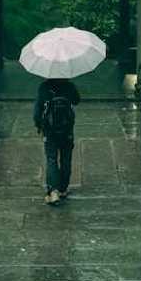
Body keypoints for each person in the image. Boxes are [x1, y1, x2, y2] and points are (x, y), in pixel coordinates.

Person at [33, 77, 81, 205]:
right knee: (66, 159)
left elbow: (37, 110)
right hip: (67, 130)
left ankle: (53, 191)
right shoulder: (69, 86)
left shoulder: (44, 87)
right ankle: (63, 189)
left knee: (51, 159)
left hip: (50, 130)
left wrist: (38, 125)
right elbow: (77, 100)